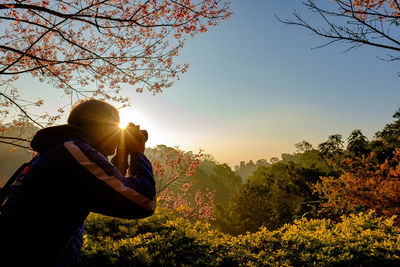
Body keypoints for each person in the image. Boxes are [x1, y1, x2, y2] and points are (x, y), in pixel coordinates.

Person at [0, 99, 156, 266]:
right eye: (114, 128)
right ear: (101, 129)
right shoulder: (73, 154)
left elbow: (106, 188)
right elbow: (143, 201)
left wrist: (124, 153)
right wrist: (138, 153)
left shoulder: (59, 151)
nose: (117, 135)